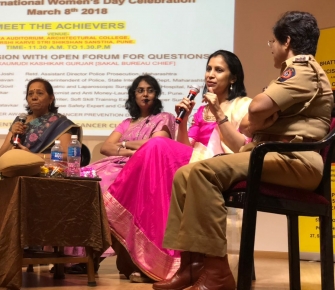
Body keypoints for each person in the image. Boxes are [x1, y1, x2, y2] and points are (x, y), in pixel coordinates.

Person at [153, 11, 333, 290]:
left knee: (202, 172)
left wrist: (260, 115)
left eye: (272, 42)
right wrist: (258, 117)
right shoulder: (296, 73)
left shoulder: (301, 69)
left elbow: (256, 110)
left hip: (296, 162)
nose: (271, 48)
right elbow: (249, 124)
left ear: (286, 42)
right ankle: (192, 266)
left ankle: (218, 273)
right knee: (184, 175)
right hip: (272, 155)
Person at [104, 50, 252, 283]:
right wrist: (182, 122)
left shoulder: (243, 105)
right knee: (155, 160)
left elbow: (241, 147)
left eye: (219, 70)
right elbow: (186, 147)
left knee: (156, 145)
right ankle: (155, 257)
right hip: (195, 161)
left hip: (222, 165)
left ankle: (116, 209)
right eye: (209, 69)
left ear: (233, 78)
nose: (210, 75)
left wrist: (219, 112)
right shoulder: (202, 110)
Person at [65, 74, 176, 274]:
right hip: (115, 163)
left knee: (103, 184)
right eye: (140, 90)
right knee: (81, 178)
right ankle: (75, 255)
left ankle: (92, 258)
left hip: (142, 168)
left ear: (156, 95)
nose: (145, 94)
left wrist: (123, 144)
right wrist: (127, 150)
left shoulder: (164, 118)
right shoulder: (127, 122)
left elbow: (155, 144)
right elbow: (107, 147)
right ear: (133, 95)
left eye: (150, 90)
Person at [0, 78, 80, 158]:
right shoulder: (20, 121)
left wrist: (34, 156)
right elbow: (1, 155)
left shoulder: (59, 123)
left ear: (51, 98)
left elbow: (69, 156)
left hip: (42, 168)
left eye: (40, 93)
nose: (34, 97)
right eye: (30, 94)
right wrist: (12, 138)